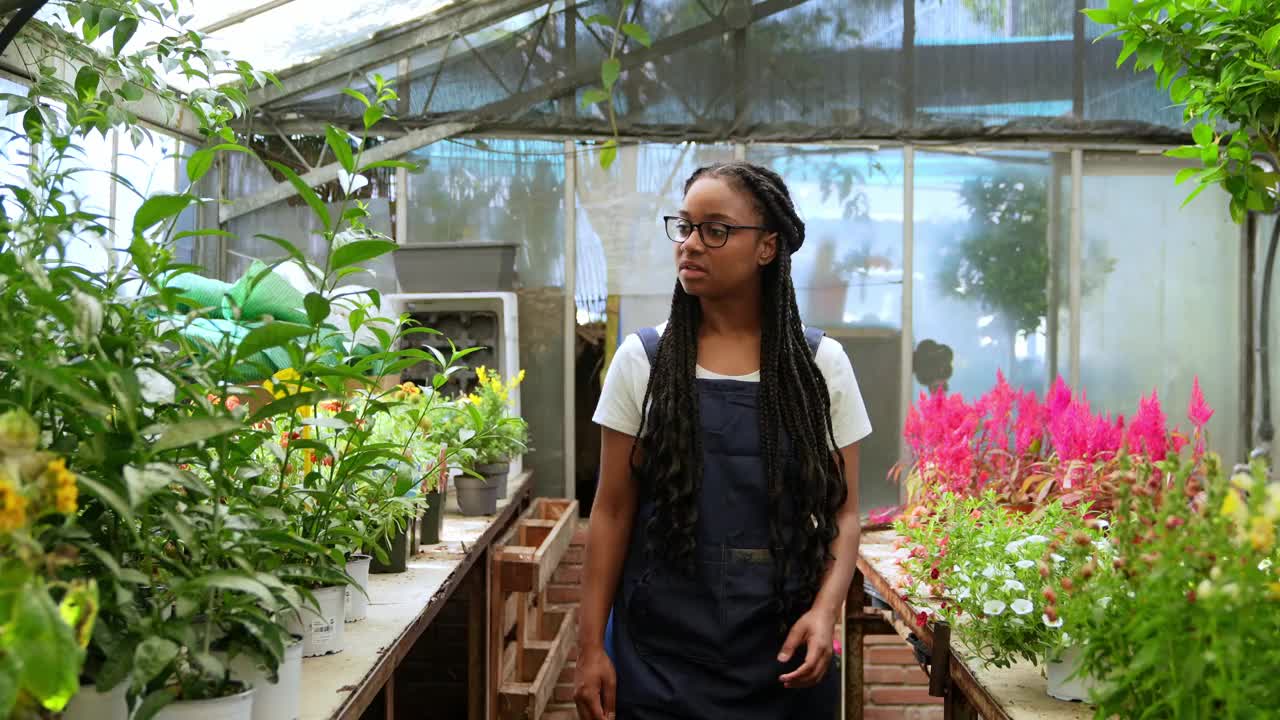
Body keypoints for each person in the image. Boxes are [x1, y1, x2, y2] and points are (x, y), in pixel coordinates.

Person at [575, 162, 872, 720]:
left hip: (784, 656)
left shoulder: (818, 367)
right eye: (684, 226)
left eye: (715, 229)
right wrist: (590, 647)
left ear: (766, 247)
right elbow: (611, 511)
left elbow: (847, 513)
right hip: (657, 661)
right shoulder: (644, 362)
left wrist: (825, 611)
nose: (690, 244)